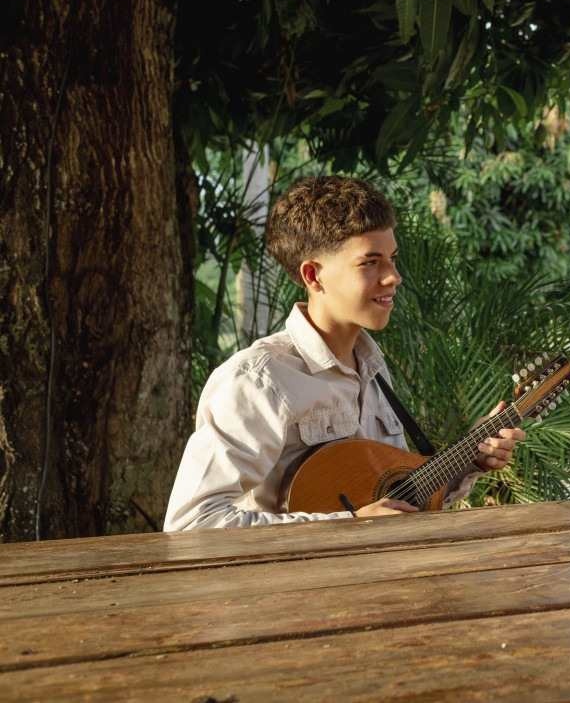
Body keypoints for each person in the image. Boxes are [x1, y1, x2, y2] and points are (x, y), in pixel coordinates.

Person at [165, 176, 524, 530]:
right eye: (370, 262)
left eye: (392, 259)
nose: (393, 276)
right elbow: (192, 524)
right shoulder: (260, 380)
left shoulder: (374, 369)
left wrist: (468, 463)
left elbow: (394, 504)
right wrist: (347, 523)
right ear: (313, 275)